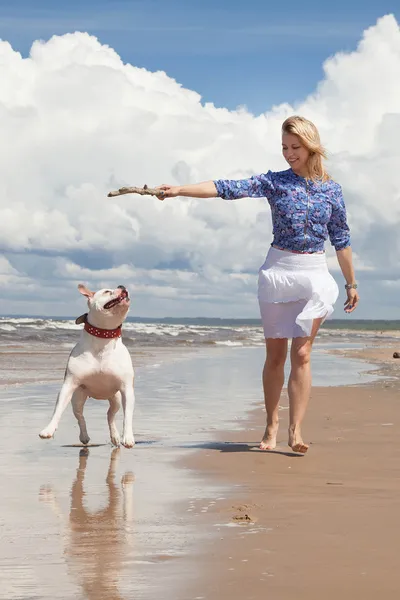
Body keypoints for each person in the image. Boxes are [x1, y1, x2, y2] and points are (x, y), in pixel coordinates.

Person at [154, 115, 359, 454]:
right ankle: (271, 425)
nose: (289, 154)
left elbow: (341, 238)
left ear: (311, 146)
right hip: (279, 272)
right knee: (275, 355)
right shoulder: (274, 182)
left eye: (295, 147)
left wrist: (351, 283)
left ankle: (295, 431)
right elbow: (226, 188)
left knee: (303, 353)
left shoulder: (331, 189)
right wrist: (179, 190)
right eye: (284, 148)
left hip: (314, 272)